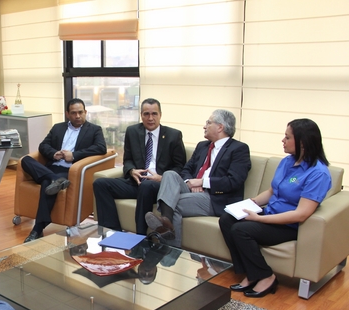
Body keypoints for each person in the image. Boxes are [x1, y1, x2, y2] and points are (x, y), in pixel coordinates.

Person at [219, 118, 331, 297]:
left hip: (289, 225)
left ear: (302, 142)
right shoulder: (287, 161)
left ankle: (266, 276)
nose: (283, 140)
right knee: (227, 219)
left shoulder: (318, 173)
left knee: (241, 230)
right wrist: (252, 202)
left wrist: (259, 219)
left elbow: (301, 214)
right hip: (271, 213)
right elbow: (273, 191)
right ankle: (251, 273)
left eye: (287, 137)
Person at [145, 109, 251, 247]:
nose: (204, 126)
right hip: (192, 191)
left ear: (220, 127)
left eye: (208, 123)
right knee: (169, 174)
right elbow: (186, 169)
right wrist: (190, 182)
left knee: (171, 204)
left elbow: (234, 181)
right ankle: (167, 222)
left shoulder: (239, 149)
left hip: (214, 197)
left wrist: (203, 182)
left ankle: (169, 249)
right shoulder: (202, 146)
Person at [93, 98, 186, 234]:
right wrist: (132, 171)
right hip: (136, 183)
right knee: (100, 184)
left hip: (159, 187)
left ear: (160, 115)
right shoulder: (132, 131)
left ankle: (140, 237)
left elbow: (180, 167)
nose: (150, 118)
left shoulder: (173, 135)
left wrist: (162, 178)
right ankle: (113, 232)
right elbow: (128, 160)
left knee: (146, 186)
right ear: (141, 115)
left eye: (154, 114)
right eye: (146, 114)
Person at [20, 98, 106, 242]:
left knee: (47, 183)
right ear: (67, 114)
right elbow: (43, 146)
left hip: (70, 170)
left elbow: (101, 148)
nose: (77, 116)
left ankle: (37, 229)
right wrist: (54, 153)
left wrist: (74, 155)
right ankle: (55, 179)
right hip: (52, 167)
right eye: (74, 113)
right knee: (26, 160)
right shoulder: (58, 128)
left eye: (80, 112)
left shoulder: (94, 130)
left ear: (85, 112)